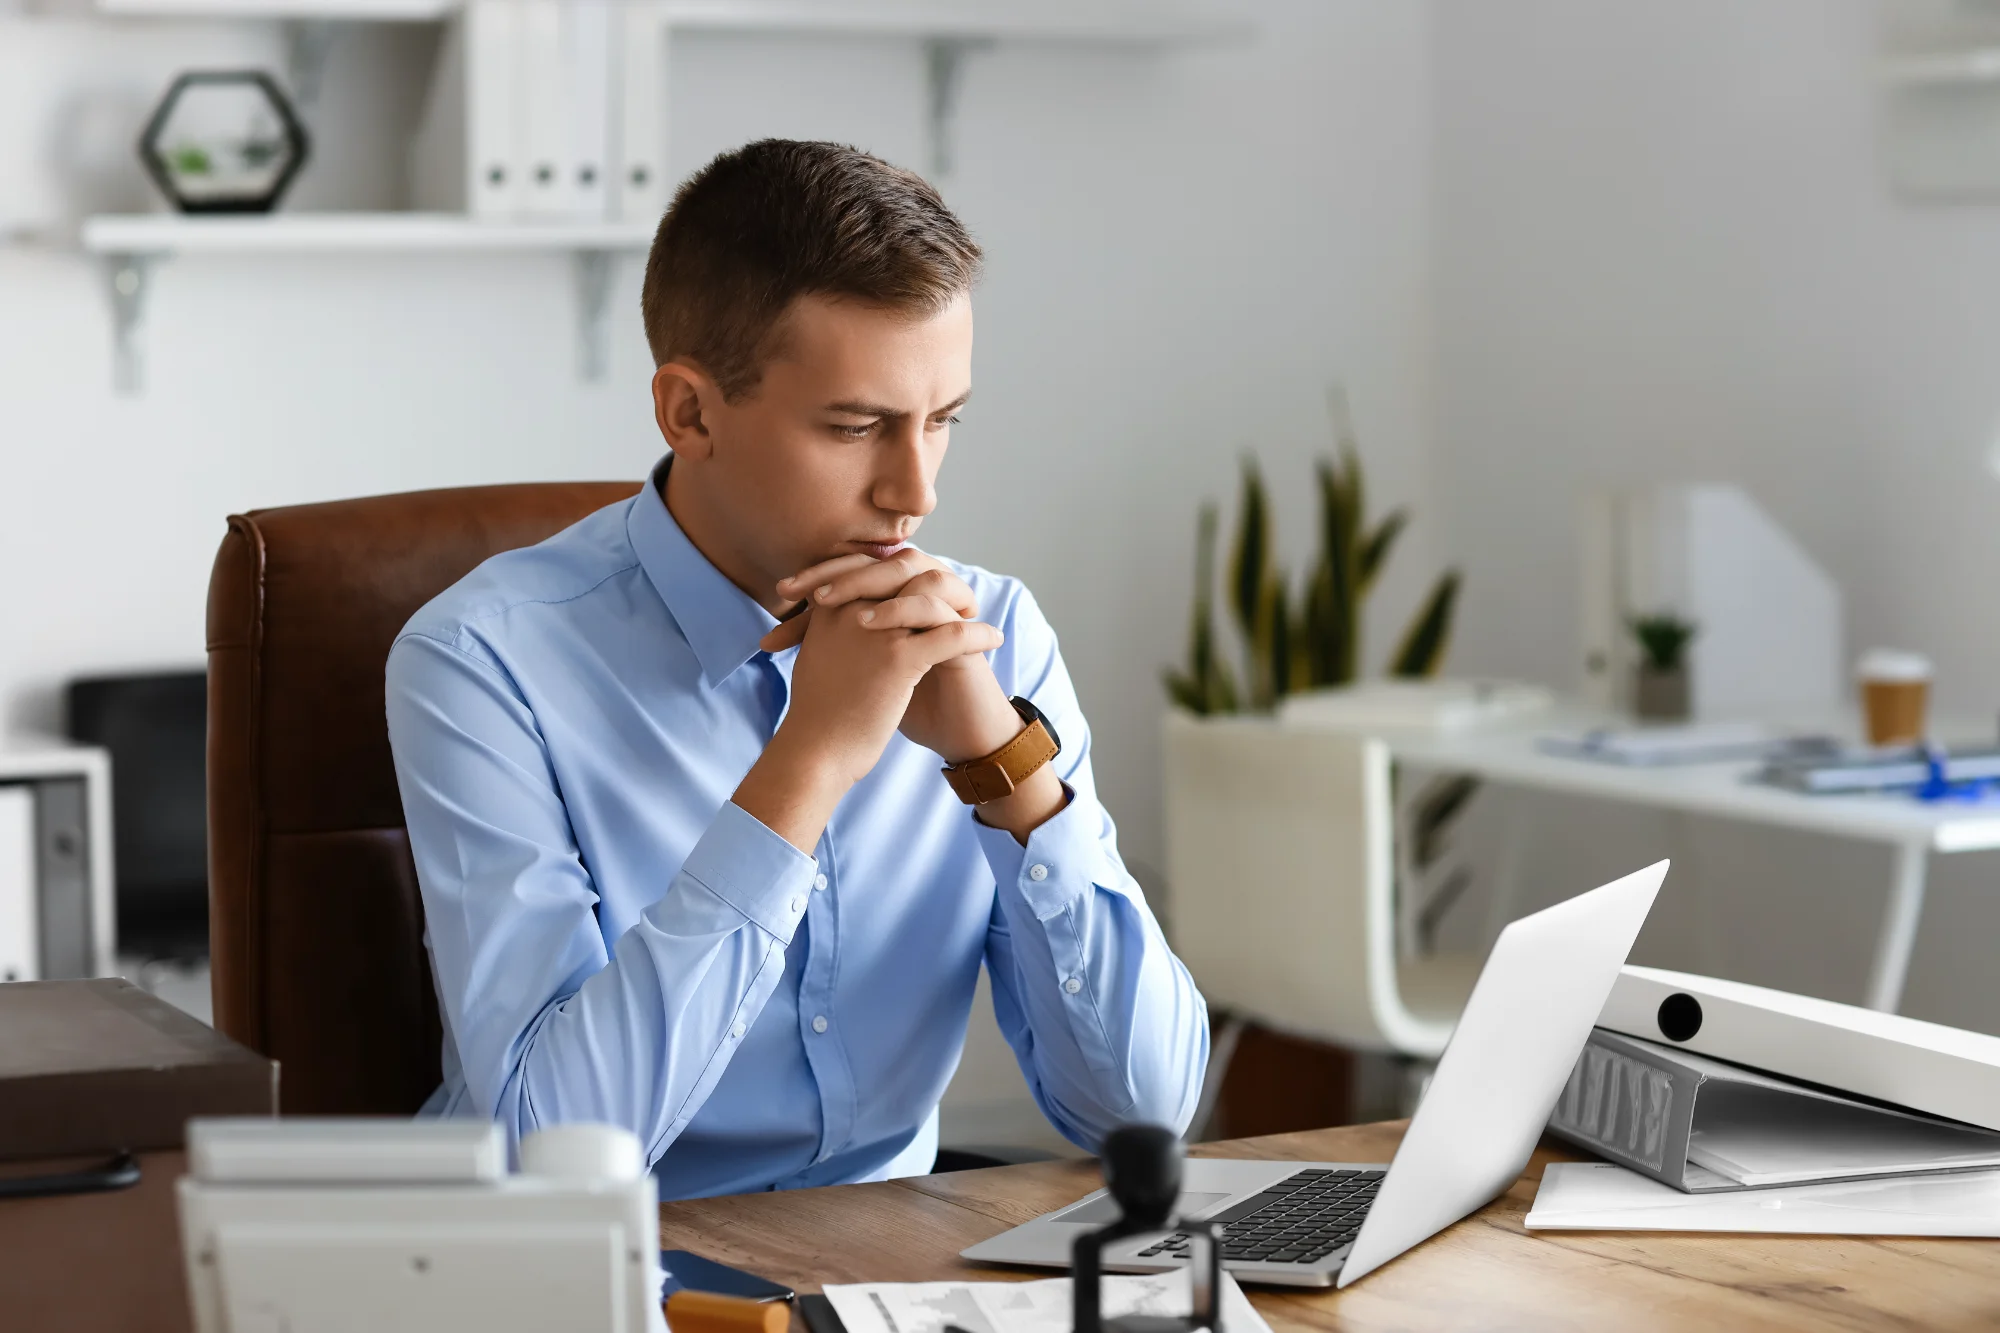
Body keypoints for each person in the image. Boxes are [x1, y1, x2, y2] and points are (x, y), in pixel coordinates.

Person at [385, 139, 1209, 1199]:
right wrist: (811, 757)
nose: (914, 492)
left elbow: (1141, 1113)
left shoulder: (992, 629)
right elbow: (556, 1151)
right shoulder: (480, 663)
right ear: (690, 412)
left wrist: (1004, 767)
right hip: (601, 1275)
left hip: (891, 1264)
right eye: (857, 427)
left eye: (942, 423)